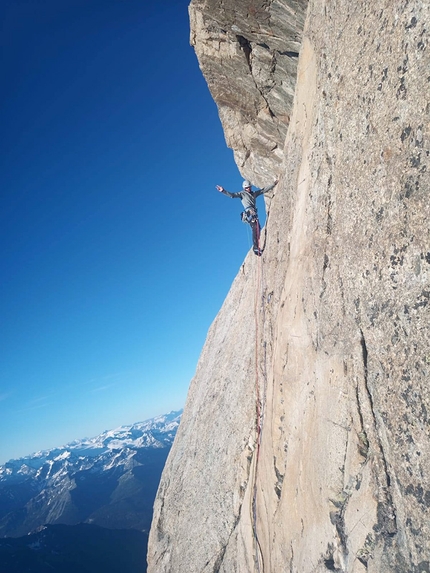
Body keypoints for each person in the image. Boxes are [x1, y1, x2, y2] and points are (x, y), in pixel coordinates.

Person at [216, 179, 278, 256]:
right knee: (255, 228)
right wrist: (223, 191)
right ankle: (255, 248)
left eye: (249, 187)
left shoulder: (254, 194)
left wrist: (273, 184)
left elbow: (263, 190)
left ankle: (256, 247)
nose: (248, 189)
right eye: (247, 188)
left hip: (254, 212)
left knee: (258, 228)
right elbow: (232, 195)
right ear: (244, 188)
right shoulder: (242, 194)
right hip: (249, 213)